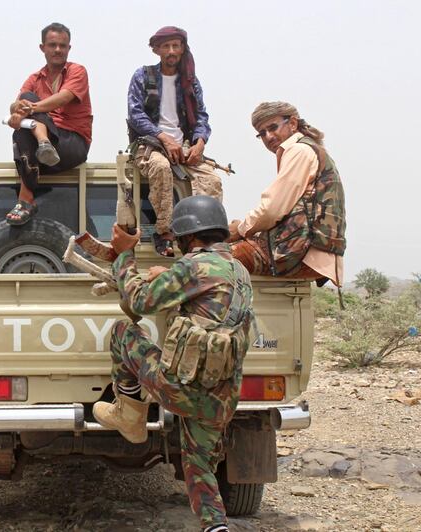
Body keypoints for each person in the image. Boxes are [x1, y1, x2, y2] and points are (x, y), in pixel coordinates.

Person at [93, 195, 253, 532]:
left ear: (188, 238)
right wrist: (166, 274)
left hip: (180, 389)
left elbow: (139, 300)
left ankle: (129, 415)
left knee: (124, 330)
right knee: (199, 467)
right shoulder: (238, 270)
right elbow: (205, 296)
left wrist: (124, 255)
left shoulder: (193, 267)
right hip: (220, 398)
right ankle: (216, 527)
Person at [127, 26, 223, 256]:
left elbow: (202, 116)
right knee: (161, 168)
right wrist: (163, 138)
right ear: (156, 49)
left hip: (185, 146)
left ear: (182, 49)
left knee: (212, 179)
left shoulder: (190, 81)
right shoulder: (143, 76)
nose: (171, 50)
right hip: (150, 144)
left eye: (176, 45)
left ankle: (204, 238)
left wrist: (199, 143)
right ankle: (164, 233)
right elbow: (136, 114)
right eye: (166, 46)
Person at [227, 101, 346, 286]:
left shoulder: (298, 150)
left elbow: (272, 209)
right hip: (315, 253)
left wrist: (240, 229)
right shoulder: (311, 149)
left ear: (292, 123)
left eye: (272, 127)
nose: (268, 136)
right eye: (262, 133)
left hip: (300, 253)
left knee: (213, 261)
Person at [4, 22, 92, 225]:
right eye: (52, 45)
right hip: (44, 151)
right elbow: (16, 104)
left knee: (31, 113)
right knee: (22, 126)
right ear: (42, 48)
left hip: (72, 142)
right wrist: (17, 112)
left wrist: (29, 110)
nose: (58, 50)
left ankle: (25, 196)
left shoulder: (77, 71)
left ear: (69, 48)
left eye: (63, 45)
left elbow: (62, 98)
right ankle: (43, 146)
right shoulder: (35, 78)